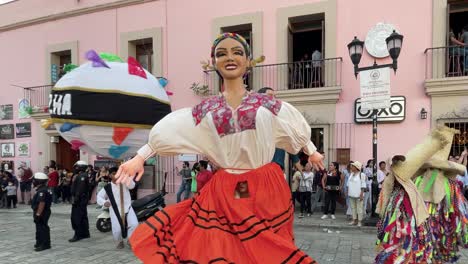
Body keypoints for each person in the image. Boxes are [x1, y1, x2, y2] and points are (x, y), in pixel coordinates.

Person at [115, 32, 324, 263]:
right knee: (227, 244)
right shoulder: (206, 109)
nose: (229, 57)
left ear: (248, 61)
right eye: (221, 53)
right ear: (214, 62)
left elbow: (293, 125)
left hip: (266, 185)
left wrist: (311, 150)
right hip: (231, 185)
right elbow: (173, 129)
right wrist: (140, 157)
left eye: (237, 52)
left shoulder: (268, 104)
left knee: (269, 248)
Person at [97, 167, 138, 249]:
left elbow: (132, 186)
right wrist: (105, 202)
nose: (116, 175)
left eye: (117, 173)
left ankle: (130, 240)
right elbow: (99, 196)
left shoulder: (124, 182)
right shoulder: (108, 187)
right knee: (117, 229)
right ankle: (119, 241)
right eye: (113, 173)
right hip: (115, 210)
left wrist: (126, 177)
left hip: (128, 208)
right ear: (110, 175)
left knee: (134, 224)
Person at [69, 161, 90, 242]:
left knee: (76, 217)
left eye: (76, 166)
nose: (75, 168)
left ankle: (78, 235)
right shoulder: (82, 175)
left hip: (80, 200)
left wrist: (76, 198)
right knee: (83, 216)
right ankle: (85, 233)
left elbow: (80, 189)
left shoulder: (82, 176)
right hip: (82, 199)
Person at [31, 172, 52, 251]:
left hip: (42, 212)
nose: (33, 182)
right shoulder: (43, 189)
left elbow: (42, 203)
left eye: (34, 180)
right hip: (44, 211)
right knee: (39, 227)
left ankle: (45, 244)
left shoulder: (42, 191)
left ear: (38, 181)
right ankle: (39, 242)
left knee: (42, 228)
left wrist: (38, 214)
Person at [346, 161, 366, 227]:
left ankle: (359, 221)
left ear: (356, 167)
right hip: (351, 194)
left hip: (358, 194)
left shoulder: (361, 175)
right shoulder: (351, 174)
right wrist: (347, 191)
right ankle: (354, 220)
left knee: (359, 208)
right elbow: (348, 184)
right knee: (353, 208)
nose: (351, 167)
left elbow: (363, 185)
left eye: (353, 166)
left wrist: (361, 194)